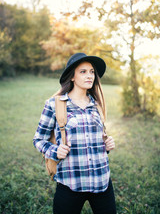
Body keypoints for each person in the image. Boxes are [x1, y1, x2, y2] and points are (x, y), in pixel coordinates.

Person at [33, 53, 116, 214]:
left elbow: (95, 139)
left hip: (102, 181)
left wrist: (106, 145)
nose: (89, 75)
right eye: (83, 72)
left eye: (92, 72)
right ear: (72, 76)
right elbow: (38, 139)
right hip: (70, 183)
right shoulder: (54, 105)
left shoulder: (97, 104)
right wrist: (54, 151)